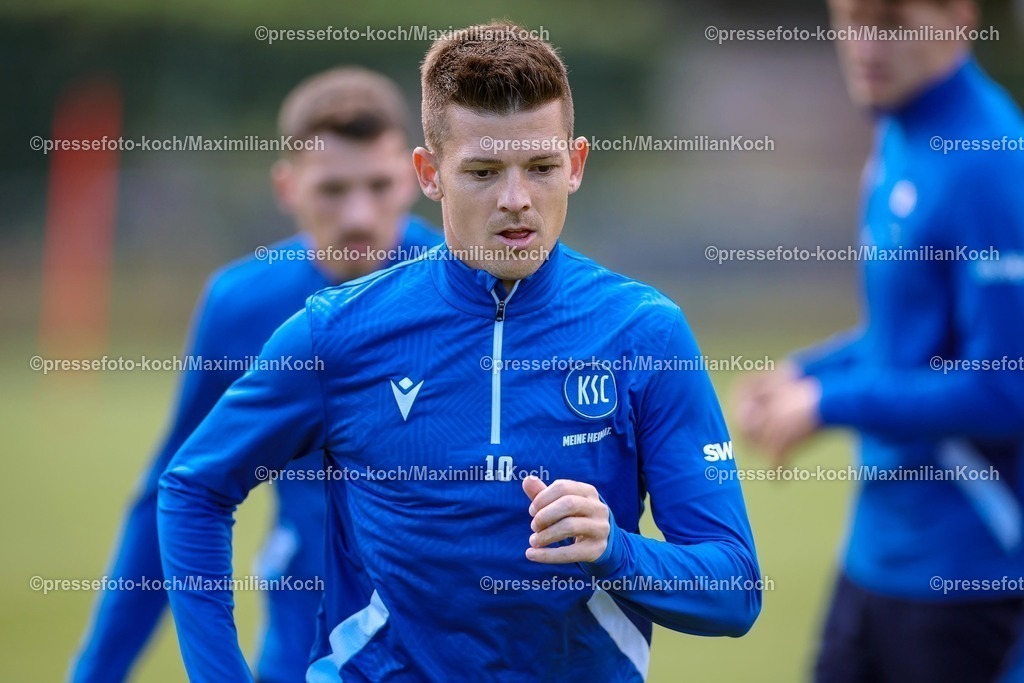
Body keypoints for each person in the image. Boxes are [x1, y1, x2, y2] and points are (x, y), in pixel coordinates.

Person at [158, 22, 761, 682]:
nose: (515, 200)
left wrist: (617, 549)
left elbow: (734, 589)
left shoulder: (646, 334)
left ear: (577, 163)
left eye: (541, 167)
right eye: (481, 172)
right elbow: (194, 488)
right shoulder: (336, 333)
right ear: (429, 173)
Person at [70, 67, 440, 683]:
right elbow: (178, 486)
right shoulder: (242, 305)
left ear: (412, 177)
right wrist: (96, 673)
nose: (358, 214)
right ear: (287, 187)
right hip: (299, 647)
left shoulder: (468, 290)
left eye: (379, 185)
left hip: (439, 650)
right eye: (332, 189)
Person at [736, 1, 1024, 680]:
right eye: (853, 19)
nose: (866, 44)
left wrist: (828, 403)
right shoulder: (900, 130)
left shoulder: (990, 162)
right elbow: (908, 340)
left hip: (963, 571)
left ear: (958, 18)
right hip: (876, 554)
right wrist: (808, 372)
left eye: (892, 22)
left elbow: (1005, 385)